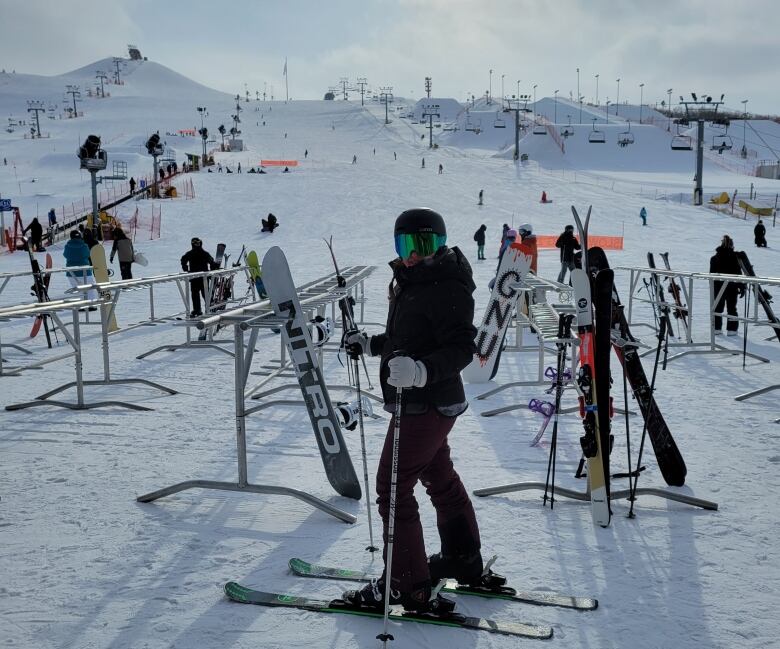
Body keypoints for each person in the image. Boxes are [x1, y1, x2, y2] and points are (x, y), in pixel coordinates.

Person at [343, 208, 500, 614]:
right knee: (439, 477)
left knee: (391, 488)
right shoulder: (412, 281)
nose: (412, 254)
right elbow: (405, 336)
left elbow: (464, 347)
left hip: (426, 401)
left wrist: (421, 371)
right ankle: (461, 559)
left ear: (440, 244)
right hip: (424, 401)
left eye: (422, 244)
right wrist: (371, 344)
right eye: (404, 244)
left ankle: (405, 585)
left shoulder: (447, 285)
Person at [709, 235, 743, 336]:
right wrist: (741, 286)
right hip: (732, 287)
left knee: (718, 307)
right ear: (732, 245)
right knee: (732, 308)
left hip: (718, 286)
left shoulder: (714, 258)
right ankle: (732, 330)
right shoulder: (734, 258)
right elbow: (738, 273)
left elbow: (711, 274)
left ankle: (717, 328)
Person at [181, 237, 219, 317]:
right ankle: (198, 310)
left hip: (202, 278)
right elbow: (183, 259)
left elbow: (211, 261)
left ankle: (209, 308)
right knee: (195, 295)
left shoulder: (203, 253)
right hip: (196, 278)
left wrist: (214, 266)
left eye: (198, 243)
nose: (197, 245)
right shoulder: (192, 253)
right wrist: (185, 268)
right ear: (192, 244)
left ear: (200, 243)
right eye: (195, 243)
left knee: (205, 294)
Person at [63, 230, 98, 306]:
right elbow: (87, 254)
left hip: (71, 272)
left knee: (78, 290)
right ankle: (91, 305)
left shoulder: (67, 246)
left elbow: (65, 255)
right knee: (90, 288)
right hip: (85, 271)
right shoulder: (84, 245)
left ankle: (81, 305)